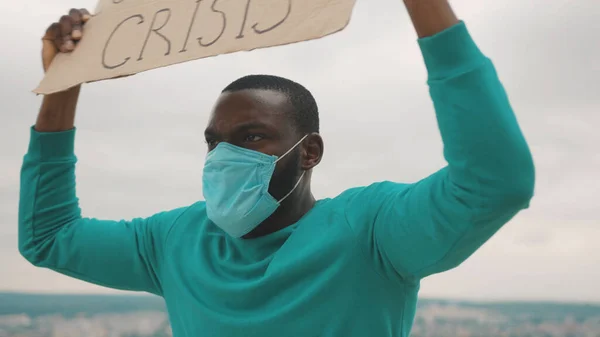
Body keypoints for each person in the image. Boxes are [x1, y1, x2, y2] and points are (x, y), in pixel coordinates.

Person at [18, 1, 535, 336]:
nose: (224, 158)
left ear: (309, 152)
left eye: (251, 138)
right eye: (213, 142)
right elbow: (48, 236)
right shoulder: (176, 240)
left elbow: (495, 182)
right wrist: (63, 87)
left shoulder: (370, 233)